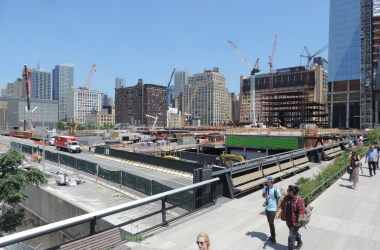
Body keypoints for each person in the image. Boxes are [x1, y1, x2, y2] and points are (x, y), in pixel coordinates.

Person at [275, 185, 305, 250]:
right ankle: (300, 242)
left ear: (291, 192)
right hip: (288, 221)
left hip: (296, 222)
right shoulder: (287, 197)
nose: (287, 191)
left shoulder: (299, 199)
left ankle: (291, 248)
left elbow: (301, 211)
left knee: (291, 237)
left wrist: (298, 221)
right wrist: (277, 214)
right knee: (293, 233)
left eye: (288, 190)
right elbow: (282, 206)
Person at [262, 176, 281, 243]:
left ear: (272, 182)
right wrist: (266, 196)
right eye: (267, 182)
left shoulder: (276, 190)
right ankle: (272, 235)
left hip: (273, 209)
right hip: (267, 208)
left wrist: (277, 211)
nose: (267, 183)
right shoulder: (265, 188)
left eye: (268, 182)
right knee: (270, 223)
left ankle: (273, 237)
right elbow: (263, 195)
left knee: (271, 223)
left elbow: (279, 201)